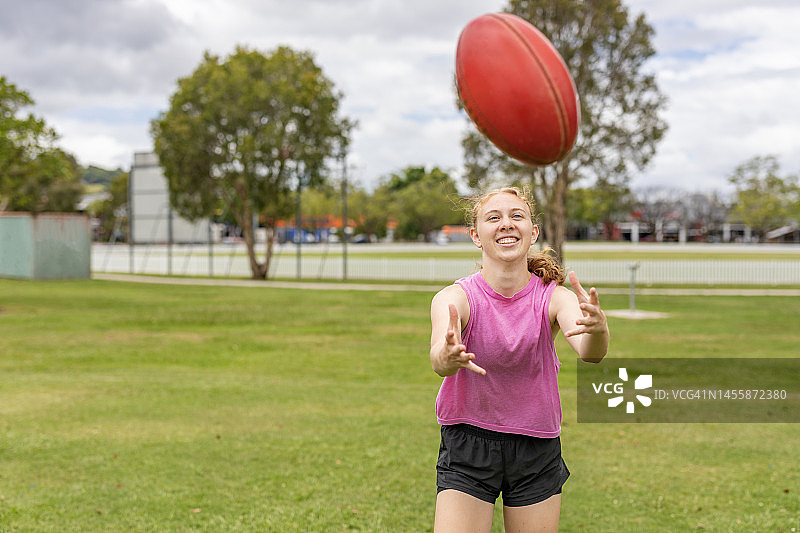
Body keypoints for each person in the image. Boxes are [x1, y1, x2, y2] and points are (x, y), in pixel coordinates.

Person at [429, 186, 609, 533]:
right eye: (493, 218)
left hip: (535, 446)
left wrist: (598, 329)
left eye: (516, 216)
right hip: (468, 441)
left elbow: (590, 352)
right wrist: (449, 356)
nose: (506, 224)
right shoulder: (454, 297)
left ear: (533, 232)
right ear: (475, 236)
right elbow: (438, 357)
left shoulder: (555, 298)